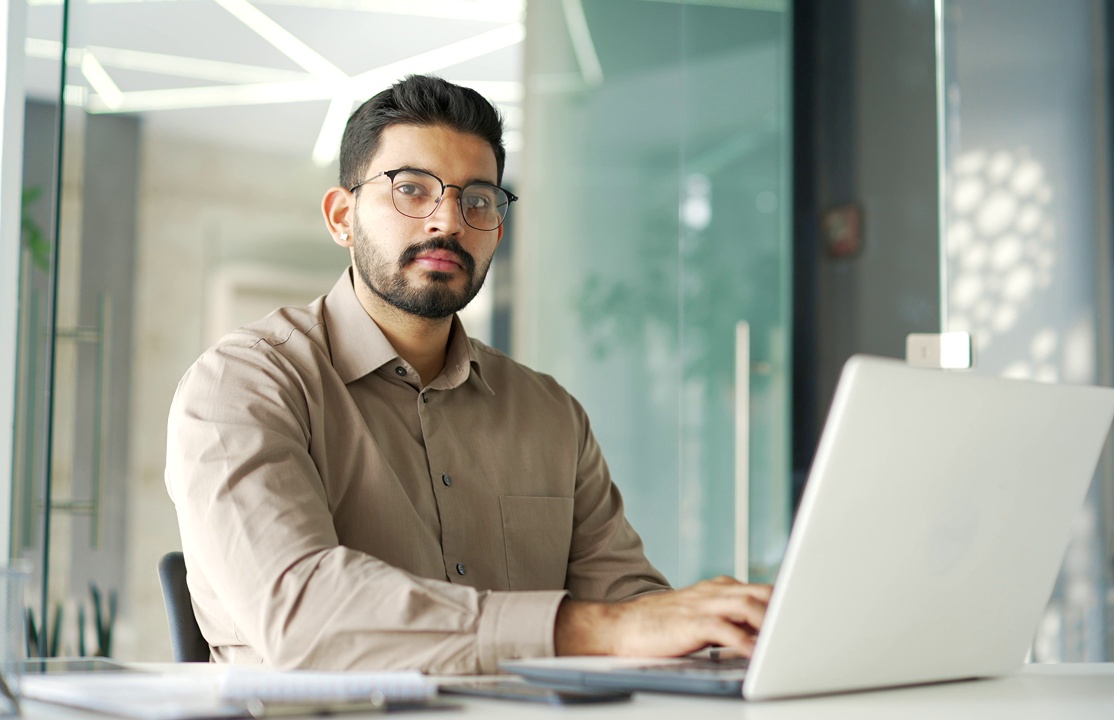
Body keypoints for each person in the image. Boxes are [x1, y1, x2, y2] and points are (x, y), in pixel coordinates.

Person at [165, 74, 771, 674]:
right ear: (341, 217)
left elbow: (630, 608)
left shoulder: (549, 413)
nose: (448, 221)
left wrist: (723, 625)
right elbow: (301, 613)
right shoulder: (242, 387)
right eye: (411, 190)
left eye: (477, 199)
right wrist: (604, 629)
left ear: (497, 229)